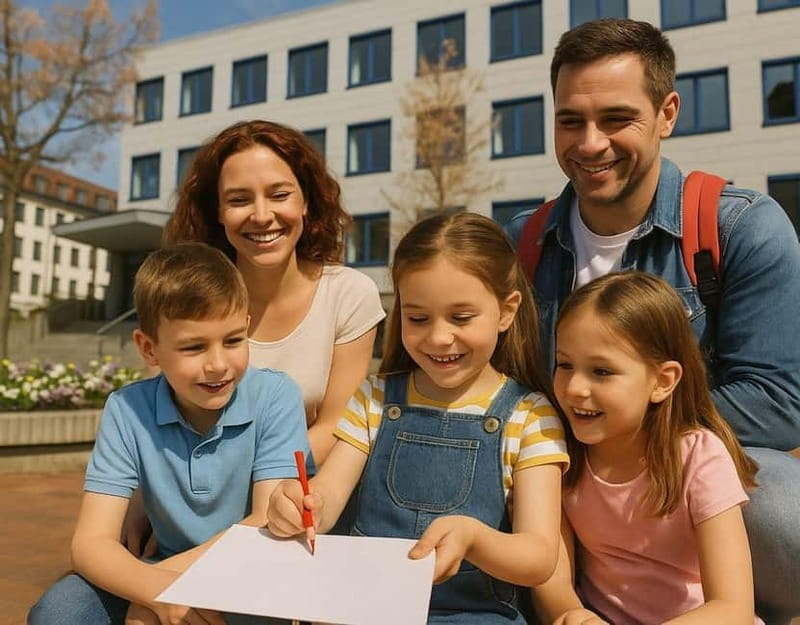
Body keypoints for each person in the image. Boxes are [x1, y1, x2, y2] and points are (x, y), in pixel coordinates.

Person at [506, 18, 800, 624]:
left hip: (682, 470)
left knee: (782, 511)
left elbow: (778, 401)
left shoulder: (739, 228)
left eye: (616, 119)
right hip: (558, 469)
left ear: (667, 113)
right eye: (570, 121)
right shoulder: (522, 245)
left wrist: (628, 434)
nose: (590, 143)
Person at [268, 212, 570, 624]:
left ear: (506, 310)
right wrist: (302, 507)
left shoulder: (530, 415)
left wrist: (474, 539)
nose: (438, 337)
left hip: (474, 615)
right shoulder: (374, 397)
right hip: (366, 607)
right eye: (417, 318)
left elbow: (538, 557)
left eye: (461, 317)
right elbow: (329, 494)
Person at [28, 242, 310, 625]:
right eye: (193, 347)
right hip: (158, 567)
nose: (218, 364)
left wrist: (160, 592)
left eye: (232, 341)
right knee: (59, 613)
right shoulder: (126, 409)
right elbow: (91, 543)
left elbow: (264, 521)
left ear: (247, 327)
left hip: (251, 572)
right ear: (149, 349)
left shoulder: (276, 395)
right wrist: (157, 592)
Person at [534, 271, 761, 625]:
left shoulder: (699, 458)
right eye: (564, 365)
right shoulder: (560, 453)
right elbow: (551, 574)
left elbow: (734, 609)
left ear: (662, 381)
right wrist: (574, 616)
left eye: (602, 371)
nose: (575, 387)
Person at [164, 119, 385, 466]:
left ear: (306, 202)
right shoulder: (185, 297)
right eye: (239, 199)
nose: (262, 216)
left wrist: (254, 477)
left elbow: (336, 427)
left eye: (279, 195)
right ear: (218, 212)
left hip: (301, 498)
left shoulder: (350, 295)